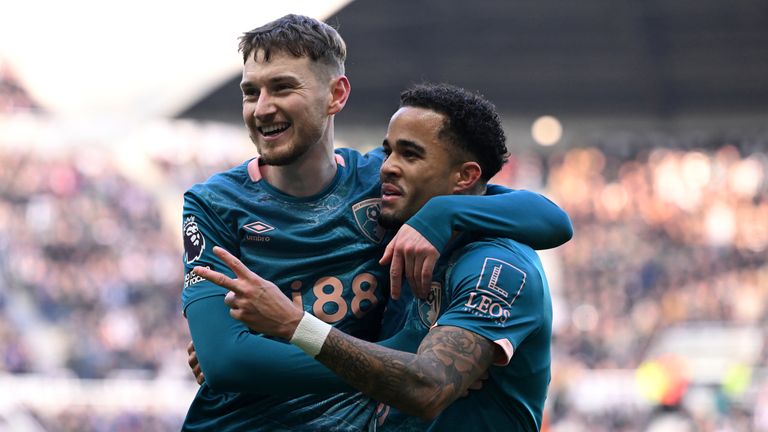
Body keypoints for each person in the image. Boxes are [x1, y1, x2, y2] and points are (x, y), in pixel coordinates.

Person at [182, 14, 572, 431]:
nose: (262, 108)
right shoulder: (213, 204)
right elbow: (225, 363)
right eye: (250, 92)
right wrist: (396, 358)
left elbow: (551, 219)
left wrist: (444, 213)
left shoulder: (381, 186)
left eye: (282, 87)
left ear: (336, 95)